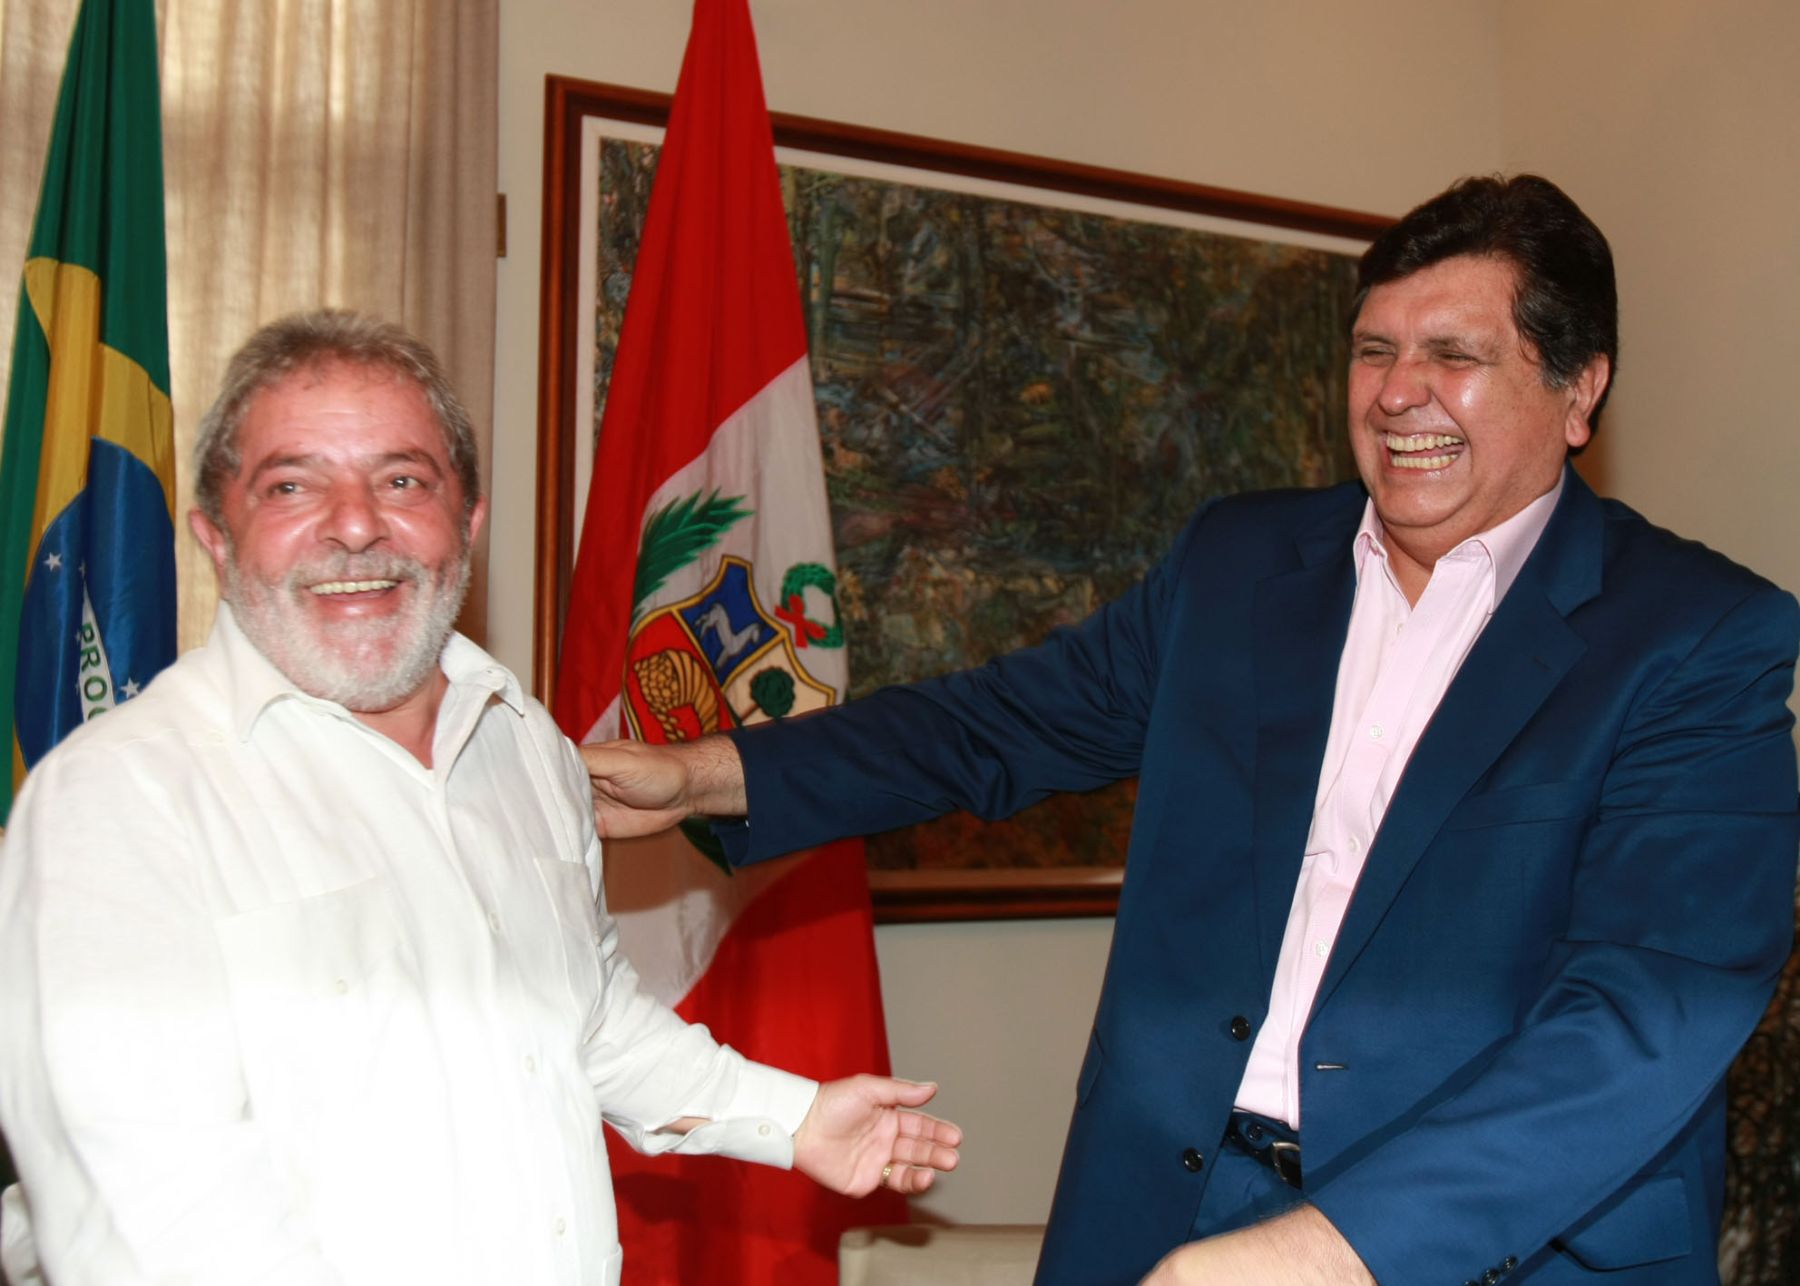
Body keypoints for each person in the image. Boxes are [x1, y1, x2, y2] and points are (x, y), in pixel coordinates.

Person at [580, 175, 1800, 1285]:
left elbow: (1643, 1017)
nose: (1397, 393)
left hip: (1479, 1242)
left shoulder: (1697, 638)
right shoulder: (1241, 563)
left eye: (1453, 354)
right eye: (1373, 350)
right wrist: (711, 770)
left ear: (1579, 389)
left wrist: (1333, 1248)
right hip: (1166, 1204)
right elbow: (993, 723)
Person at [0, 310, 960, 1286]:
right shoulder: (115, 802)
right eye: (291, 483)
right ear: (215, 535)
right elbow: (153, 1225)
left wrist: (794, 1118)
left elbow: (578, 1015)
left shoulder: (526, 742)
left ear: (467, 521)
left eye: (402, 478)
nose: (356, 522)